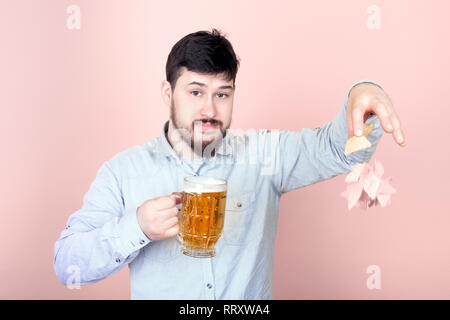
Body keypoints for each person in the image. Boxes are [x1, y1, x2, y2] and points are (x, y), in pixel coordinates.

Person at [53, 28, 406, 299]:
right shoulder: (123, 171)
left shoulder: (266, 155)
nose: (209, 110)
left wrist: (364, 94)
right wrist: (137, 227)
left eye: (222, 93)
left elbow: (337, 150)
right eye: (195, 92)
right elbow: (68, 264)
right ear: (167, 93)